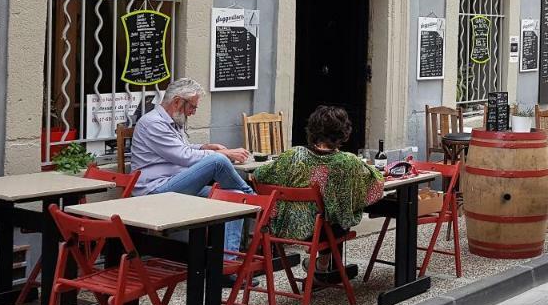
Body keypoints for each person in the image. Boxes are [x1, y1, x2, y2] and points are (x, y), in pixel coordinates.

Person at [252, 105, 384, 278]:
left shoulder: (293, 155)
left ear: (312, 130)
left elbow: (258, 176)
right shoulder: (347, 162)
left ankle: (322, 264)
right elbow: (376, 185)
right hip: (322, 231)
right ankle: (323, 265)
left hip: (285, 227)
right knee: (337, 212)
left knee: (329, 209)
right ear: (343, 133)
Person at [130, 78, 253, 253]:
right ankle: (254, 198)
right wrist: (222, 154)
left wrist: (204, 147)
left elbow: (182, 149)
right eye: (192, 107)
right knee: (217, 161)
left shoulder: (173, 120)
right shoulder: (153, 122)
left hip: (174, 184)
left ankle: (226, 266)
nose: (193, 112)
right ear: (177, 101)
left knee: (235, 197)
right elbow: (184, 156)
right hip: (155, 191)